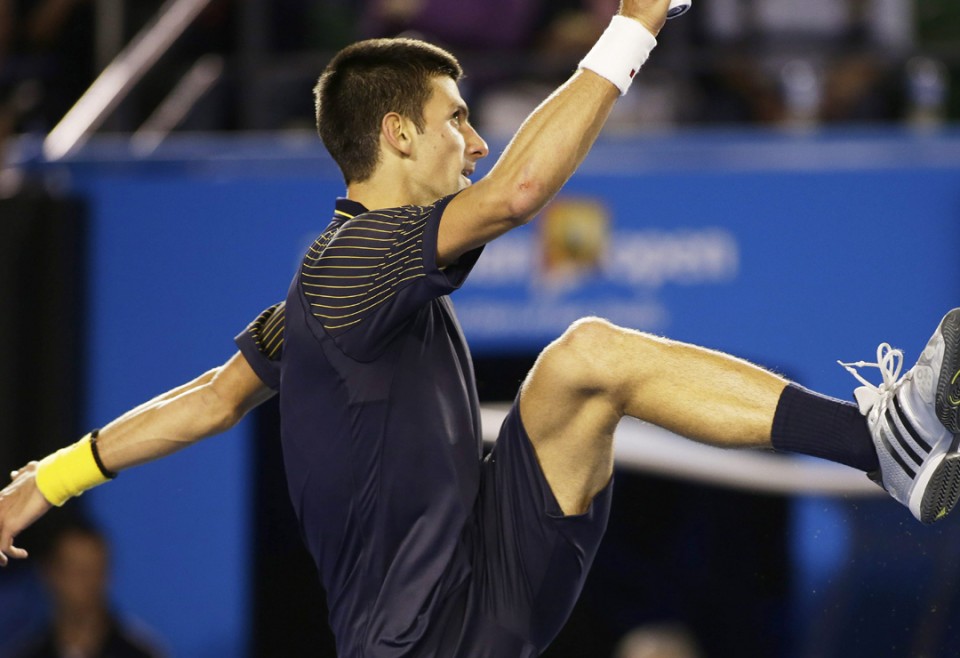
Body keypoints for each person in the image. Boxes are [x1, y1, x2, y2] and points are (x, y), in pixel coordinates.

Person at [1, 0, 958, 655]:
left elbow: (211, 402)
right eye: (456, 118)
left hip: (479, 573)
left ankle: (880, 445)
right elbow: (520, 194)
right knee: (586, 355)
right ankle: (878, 443)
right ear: (397, 136)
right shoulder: (352, 265)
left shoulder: (331, 287)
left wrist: (51, 477)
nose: (476, 138)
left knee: (589, 359)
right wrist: (631, 26)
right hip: (421, 640)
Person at [9, 520, 166, 658]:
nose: (90, 582)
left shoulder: (141, 653)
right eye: (77, 571)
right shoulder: (26, 653)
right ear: (49, 573)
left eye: (98, 570)